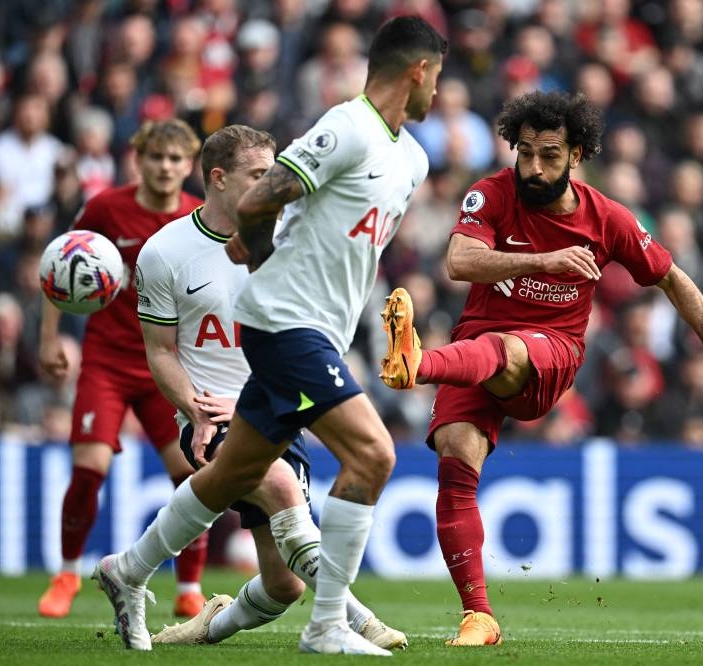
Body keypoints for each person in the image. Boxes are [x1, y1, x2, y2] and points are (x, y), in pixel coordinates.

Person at [91, 16, 447, 656]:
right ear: (419, 70)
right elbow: (258, 206)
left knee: (236, 474)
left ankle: (128, 570)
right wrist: (260, 267)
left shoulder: (412, 159)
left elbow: (344, 249)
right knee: (374, 455)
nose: (438, 95)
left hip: (322, 331)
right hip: (286, 322)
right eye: (438, 77)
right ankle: (332, 625)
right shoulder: (347, 127)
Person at [379, 90, 703, 646]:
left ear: (576, 154)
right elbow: (458, 261)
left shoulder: (608, 218)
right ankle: (478, 616)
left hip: (549, 353)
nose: (533, 167)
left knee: (511, 347)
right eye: (524, 152)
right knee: (456, 457)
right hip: (472, 348)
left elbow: (673, 277)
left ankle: (418, 363)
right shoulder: (492, 194)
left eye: (548, 155)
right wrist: (541, 259)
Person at [127, 124, 405, 651]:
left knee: (283, 585)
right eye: (258, 175)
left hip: (277, 404)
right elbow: (160, 351)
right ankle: (355, 620)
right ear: (219, 179)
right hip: (208, 414)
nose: (271, 183)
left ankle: (201, 624)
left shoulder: (290, 241)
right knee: (279, 489)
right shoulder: (165, 252)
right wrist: (194, 405)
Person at [37, 119, 206, 619]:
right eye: (156, 157)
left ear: (189, 165)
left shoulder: (196, 217)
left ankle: (189, 587)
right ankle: (67, 573)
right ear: (139, 160)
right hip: (107, 362)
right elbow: (60, 267)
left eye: (175, 159)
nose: (165, 167)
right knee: (89, 471)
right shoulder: (106, 208)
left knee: (194, 475)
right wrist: (50, 338)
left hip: (168, 366)